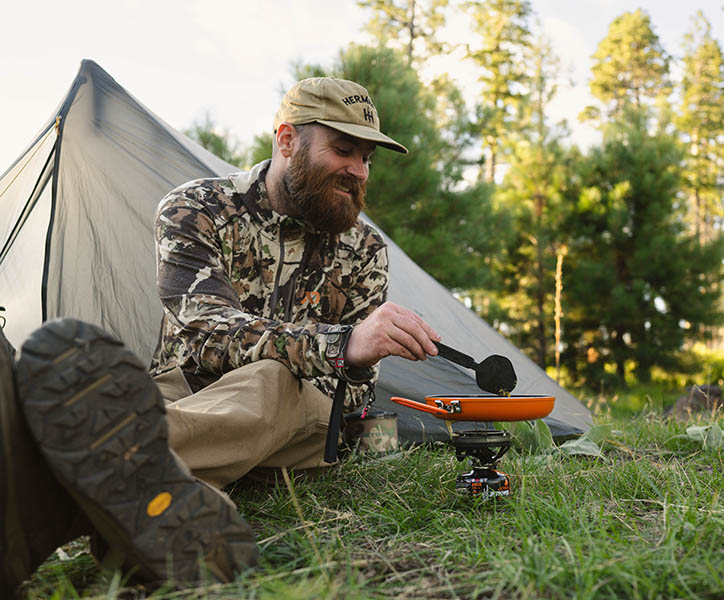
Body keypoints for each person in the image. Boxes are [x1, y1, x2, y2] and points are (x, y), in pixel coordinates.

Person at [1, 77, 439, 593]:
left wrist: (355, 357)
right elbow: (206, 328)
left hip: (302, 423)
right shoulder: (197, 208)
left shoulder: (364, 249)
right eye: (344, 150)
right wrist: (338, 342)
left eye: (367, 158)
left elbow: (357, 395)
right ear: (286, 141)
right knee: (144, 419)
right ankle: (168, 523)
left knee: (274, 379)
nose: (358, 171)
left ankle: (47, 477)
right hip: (186, 393)